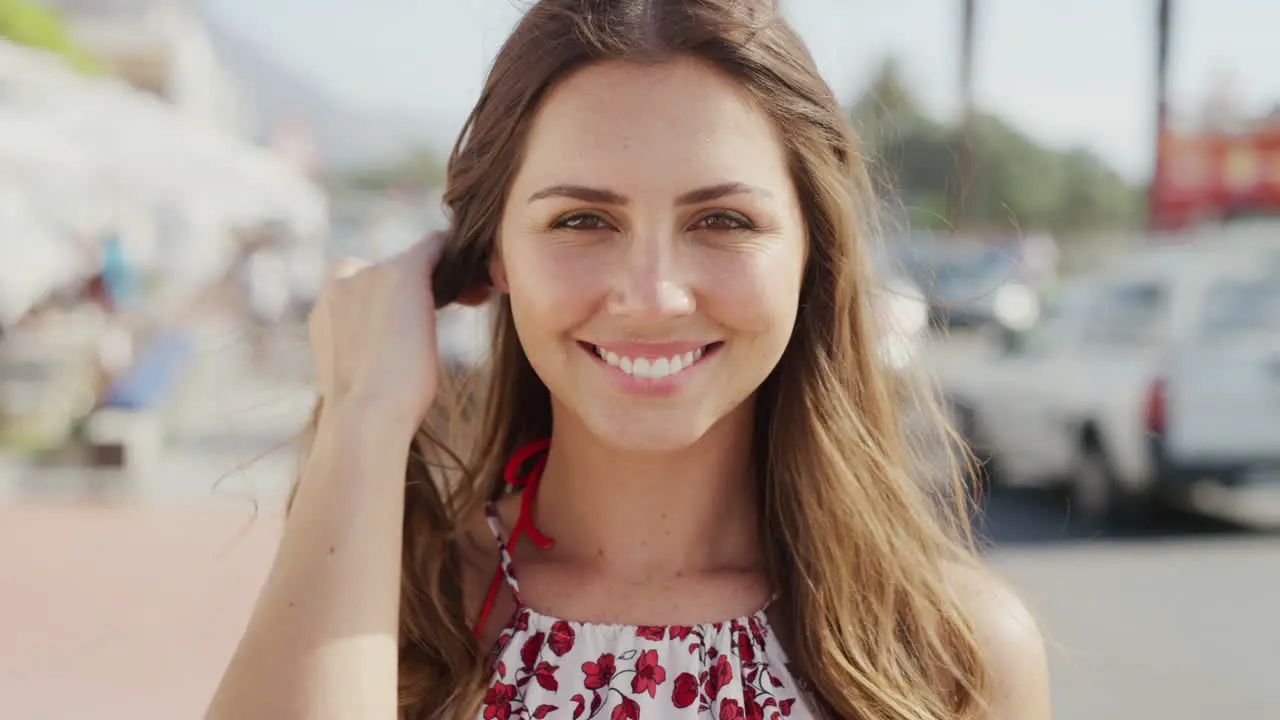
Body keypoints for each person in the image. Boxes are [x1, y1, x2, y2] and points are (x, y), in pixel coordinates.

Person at [207, 1, 1051, 719]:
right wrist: (364, 413)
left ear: (811, 253)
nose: (652, 297)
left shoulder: (948, 650)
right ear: (495, 254)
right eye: (582, 221)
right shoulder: (394, 609)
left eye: (721, 220)